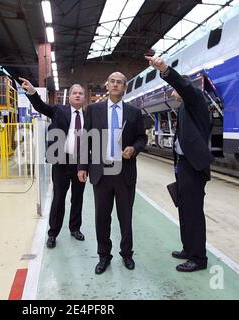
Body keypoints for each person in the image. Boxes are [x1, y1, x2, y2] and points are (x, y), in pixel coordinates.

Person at [145, 55, 212, 272]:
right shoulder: (183, 109)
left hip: (194, 167)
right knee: (184, 209)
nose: (173, 93)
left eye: (176, 89)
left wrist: (164, 69)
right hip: (183, 165)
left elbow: (183, 86)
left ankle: (198, 258)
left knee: (193, 212)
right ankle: (188, 248)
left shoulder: (195, 101)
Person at [78, 72, 147, 274]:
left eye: (120, 82)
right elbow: (86, 140)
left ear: (125, 87)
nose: (116, 85)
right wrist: (82, 166)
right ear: (107, 85)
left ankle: (126, 254)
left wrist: (134, 149)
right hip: (101, 171)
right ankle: (103, 256)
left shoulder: (134, 112)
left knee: (125, 217)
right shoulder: (93, 110)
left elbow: (142, 138)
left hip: (125, 172)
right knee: (102, 217)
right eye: (113, 82)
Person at [19, 77, 87, 249]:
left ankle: (75, 228)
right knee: (58, 199)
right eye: (75, 93)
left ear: (84, 98)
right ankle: (53, 233)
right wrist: (33, 93)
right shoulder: (59, 110)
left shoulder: (89, 116)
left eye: (81, 93)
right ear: (70, 96)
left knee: (77, 198)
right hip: (61, 162)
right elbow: (41, 107)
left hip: (80, 163)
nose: (78, 95)